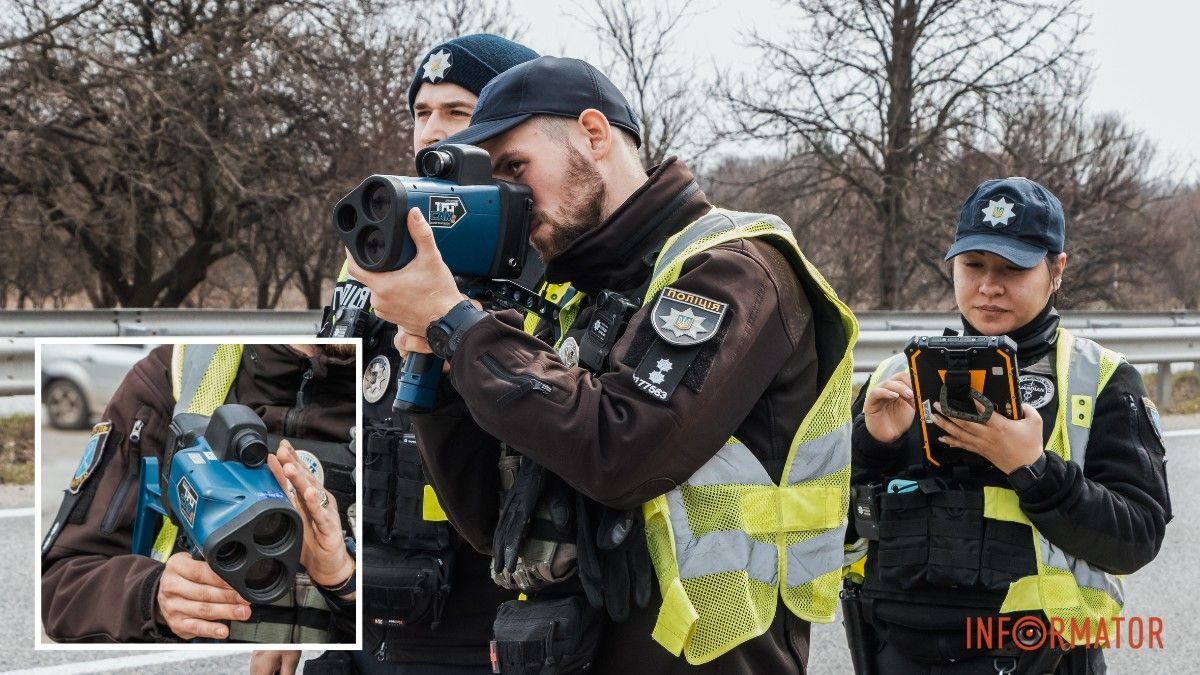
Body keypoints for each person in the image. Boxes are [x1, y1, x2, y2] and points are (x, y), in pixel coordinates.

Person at [348, 55, 859, 673]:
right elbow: (488, 521)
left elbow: (621, 450)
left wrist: (459, 325)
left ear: (594, 134)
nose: (509, 196)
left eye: (516, 167)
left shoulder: (733, 271)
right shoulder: (570, 297)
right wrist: (444, 368)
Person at [849, 177, 1172, 673]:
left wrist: (1032, 469)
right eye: (973, 266)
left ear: (1056, 270)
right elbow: (833, 532)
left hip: (1041, 658)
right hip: (897, 653)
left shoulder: (1099, 378)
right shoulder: (896, 378)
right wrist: (873, 447)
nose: (988, 286)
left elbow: (1136, 537)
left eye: (1012, 268)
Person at [299, 34, 537, 675]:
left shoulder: (545, 271)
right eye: (421, 112)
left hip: (483, 625)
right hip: (363, 607)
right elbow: (326, 435)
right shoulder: (368, 268)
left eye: (457, 112)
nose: (430, 132)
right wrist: (294, 610)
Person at [41, 343, 357, 644]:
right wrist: (153, 595)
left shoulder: (402, 392)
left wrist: (347, 586)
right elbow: (61, 591)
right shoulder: (176, 371)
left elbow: (403, 643)